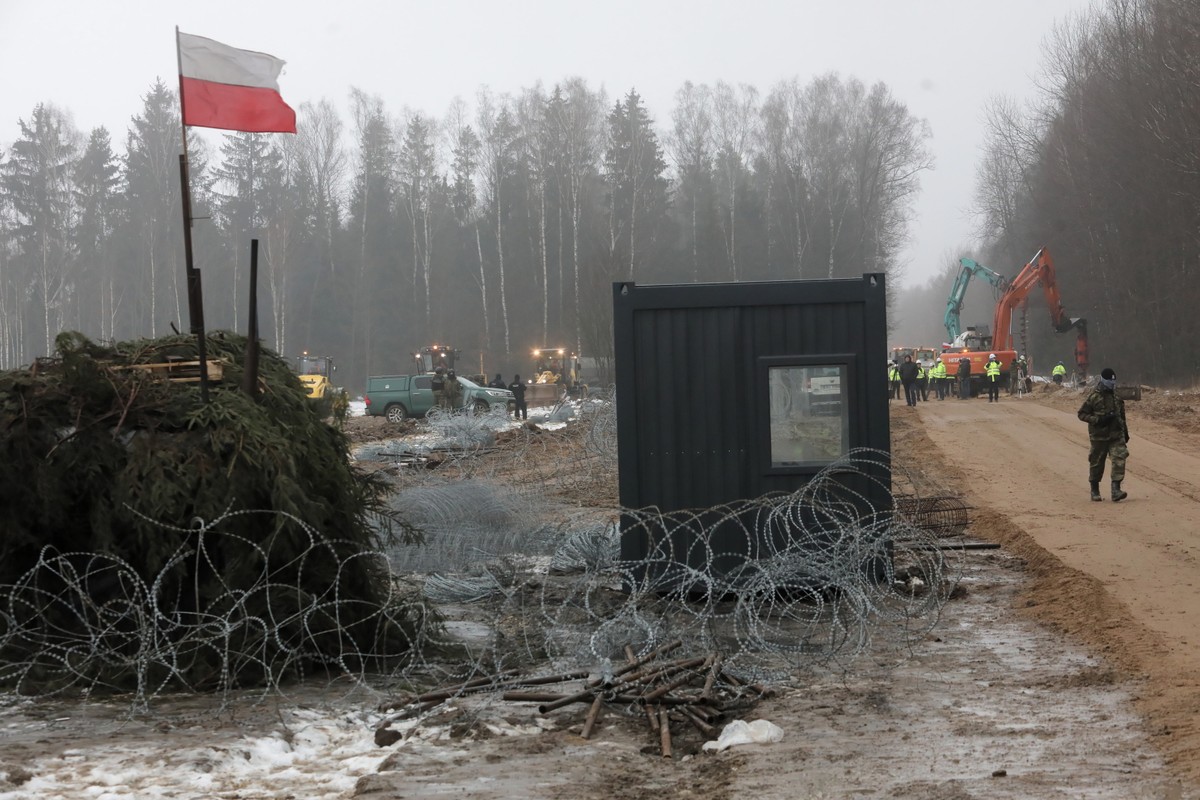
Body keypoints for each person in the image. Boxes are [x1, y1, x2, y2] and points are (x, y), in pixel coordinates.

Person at [1077, 367, 1129, 502]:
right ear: (1103, 381)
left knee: (1119, 459)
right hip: (1099, 436)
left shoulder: (1117, 397)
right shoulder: (1094, 397)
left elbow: (1122, 417)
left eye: (1114, 382)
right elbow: (1082, 414)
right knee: (1097, 463)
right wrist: (1098, 420)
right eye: (1109, 382)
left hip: (1116, 435)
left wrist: (1125, 433)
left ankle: (1115, 489)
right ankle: (1094, 489)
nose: (1112, 384)